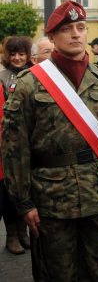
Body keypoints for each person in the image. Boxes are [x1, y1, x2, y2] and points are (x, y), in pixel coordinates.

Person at [1, 0, 98, 281]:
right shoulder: (29, 83)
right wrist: (23, 203)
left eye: (81, 27)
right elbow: (14, 148)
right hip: (50, 200)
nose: (76, 34)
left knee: (95, 272)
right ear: (51, 37)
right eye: (66, 29)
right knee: (56, 274)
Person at [0, 36, 33, 255]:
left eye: (22, 54)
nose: (18, 58)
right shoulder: (2, 76)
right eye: (13, 54)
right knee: (8, 192)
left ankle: (23, 231)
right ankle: (12, 235)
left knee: (27, 188)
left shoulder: (34, 73)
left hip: (30, 140)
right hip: (8, 141)